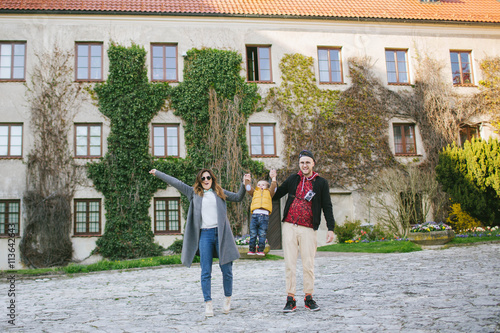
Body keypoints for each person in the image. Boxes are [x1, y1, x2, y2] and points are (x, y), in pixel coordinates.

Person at [149, 168, 246, 317]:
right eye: (203, 178)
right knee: (205, 271)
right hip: (205, 235)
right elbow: (175, 182)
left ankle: (227, 298)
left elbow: (239, 197)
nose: (206, 180)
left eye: (208, 178)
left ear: (212, 179)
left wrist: (244, 184)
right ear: (199, 181)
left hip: (221, 234)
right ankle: (208, 303)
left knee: (227, 270)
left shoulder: (220, 192)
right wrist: (157, 173)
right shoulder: (193, 193)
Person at [273, 150, 335, 312]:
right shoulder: (293, 179)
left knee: (308, 264)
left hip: (308, 229)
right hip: (289, 226)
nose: (305, 165)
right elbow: (276, 195)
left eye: (308, 162)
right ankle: (290, 298)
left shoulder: (321, 183)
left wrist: (331, 228)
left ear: (313, 163)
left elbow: (327, 206)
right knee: (290, 264)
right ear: (299, 164)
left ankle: (309, 297)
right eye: (302, 163)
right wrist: (272, 181)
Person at [243, 170, 277, 255]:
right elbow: (247, 188)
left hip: (264, 216)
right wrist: (247, 180)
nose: (260, 186)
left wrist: (273, 178)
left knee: (262, 234)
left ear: (267, 187)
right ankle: (251, 249)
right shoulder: (255, 192)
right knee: (253, 233)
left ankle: (261, 250)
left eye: (263, 184)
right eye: (258, 184)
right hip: (255, 215)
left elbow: (274, 187)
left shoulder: (269, 193)